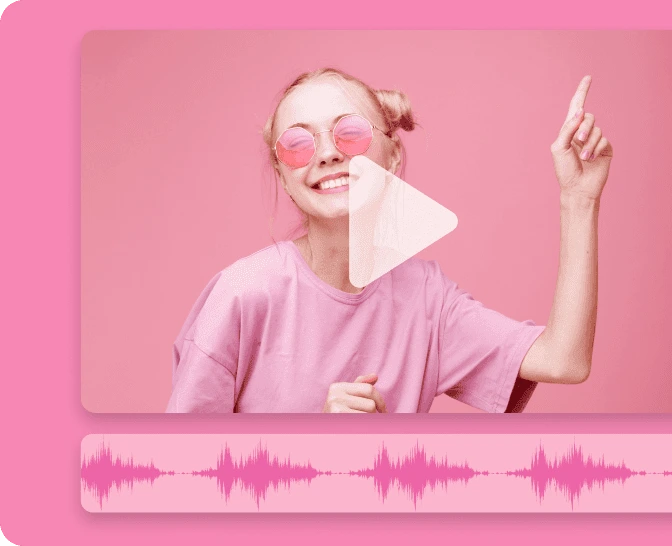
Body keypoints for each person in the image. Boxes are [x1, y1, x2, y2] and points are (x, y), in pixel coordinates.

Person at [165, 67, 612, 413]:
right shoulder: (240, 296)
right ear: (283, 176)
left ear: (393, 154)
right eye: (298, 143)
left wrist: (579, 198)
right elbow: (182, 477)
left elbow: (563, 360)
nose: (327, 152)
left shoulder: (425, 299)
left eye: (351, 132)